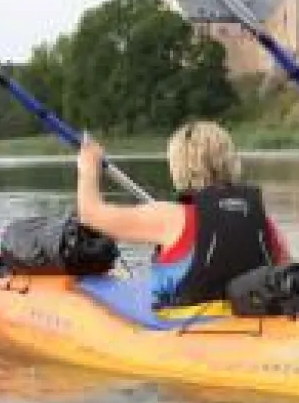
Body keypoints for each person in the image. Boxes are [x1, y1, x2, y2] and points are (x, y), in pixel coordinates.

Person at [77, 120, 288, 309]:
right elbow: (284, 273)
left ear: (177, 166)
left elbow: (90, 215)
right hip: (249, 324)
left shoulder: (169, 217)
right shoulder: (263, 221)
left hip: (183, 329)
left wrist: (88, 167)